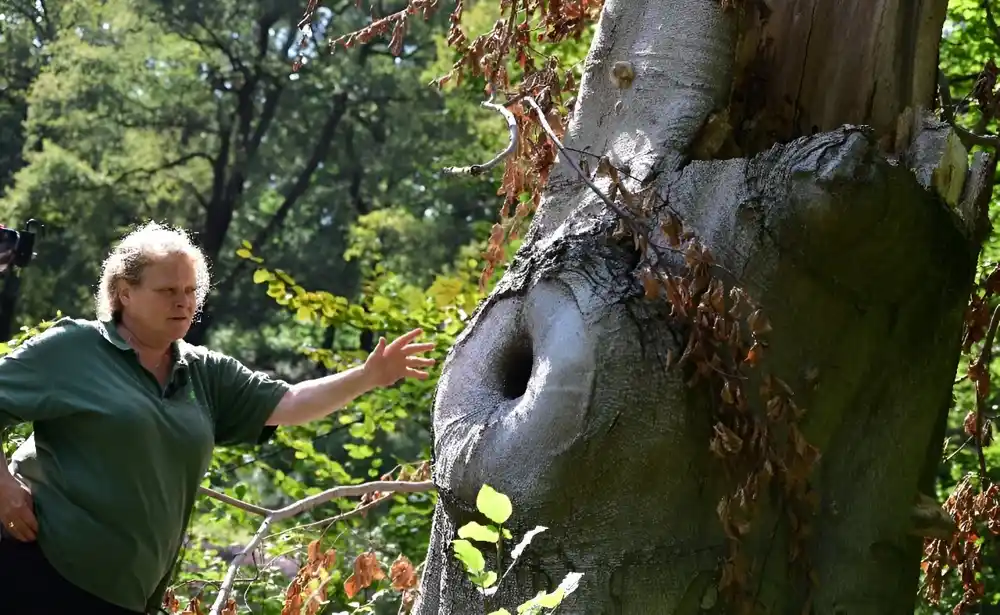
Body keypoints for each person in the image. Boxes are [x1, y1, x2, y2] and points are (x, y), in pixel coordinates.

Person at [0, 221, 436, 614]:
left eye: (191, 291)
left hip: (125, 595)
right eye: (167, 291)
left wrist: (367, 376)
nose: (183, 302)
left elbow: (291, 403)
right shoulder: (75, 349)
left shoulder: (204, 371)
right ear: (124, 292)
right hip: (39, 571)